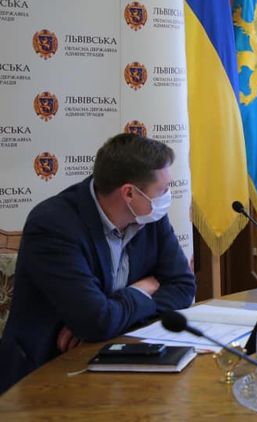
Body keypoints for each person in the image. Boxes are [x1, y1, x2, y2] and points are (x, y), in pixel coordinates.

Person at [0, 133, 196, 393]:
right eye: (162, 190)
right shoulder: (53, 226)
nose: (167, 196)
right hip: (45, 375)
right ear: (129, 193)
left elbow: (183, 287)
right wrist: (141, 290)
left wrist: (107, 321)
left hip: (115, 357)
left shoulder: (149, 215)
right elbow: (97, 320)